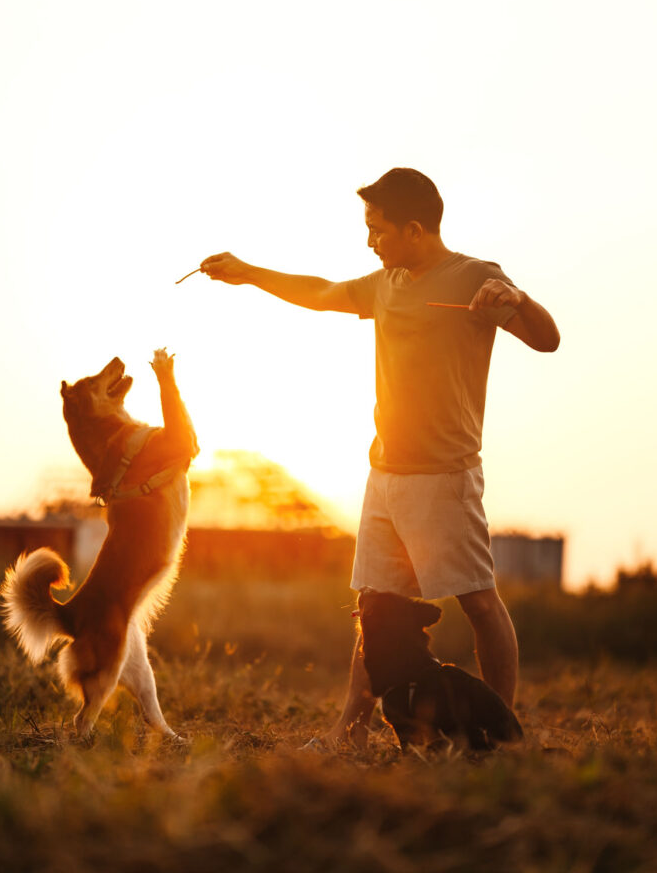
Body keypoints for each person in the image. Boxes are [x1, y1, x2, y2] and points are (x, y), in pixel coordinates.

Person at [200, 167, 560, 748]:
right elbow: (321, 293)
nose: (370, 241)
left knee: (478, 602)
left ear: (415, 230)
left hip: (446, 476)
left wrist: (519, 299)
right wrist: (248, 273)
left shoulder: (476, 277)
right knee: (372, 605)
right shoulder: (386, 283)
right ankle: (353, 728)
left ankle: (503, 732)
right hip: (384, 473)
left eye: (378, 230)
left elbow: (547, 339)